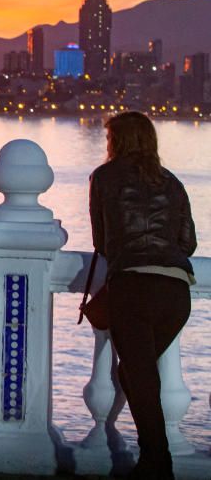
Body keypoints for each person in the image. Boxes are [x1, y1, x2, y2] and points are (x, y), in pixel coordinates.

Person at [89, 111, 195, 480]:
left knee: (140, 375)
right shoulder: (172, 182)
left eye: (109, 139)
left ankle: (158, 464)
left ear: (116, 141)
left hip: (133, 289)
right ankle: (153, 461)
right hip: (176, 293)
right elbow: (188, 243)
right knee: (136, 373)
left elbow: (101, 242)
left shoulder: (105, 177)